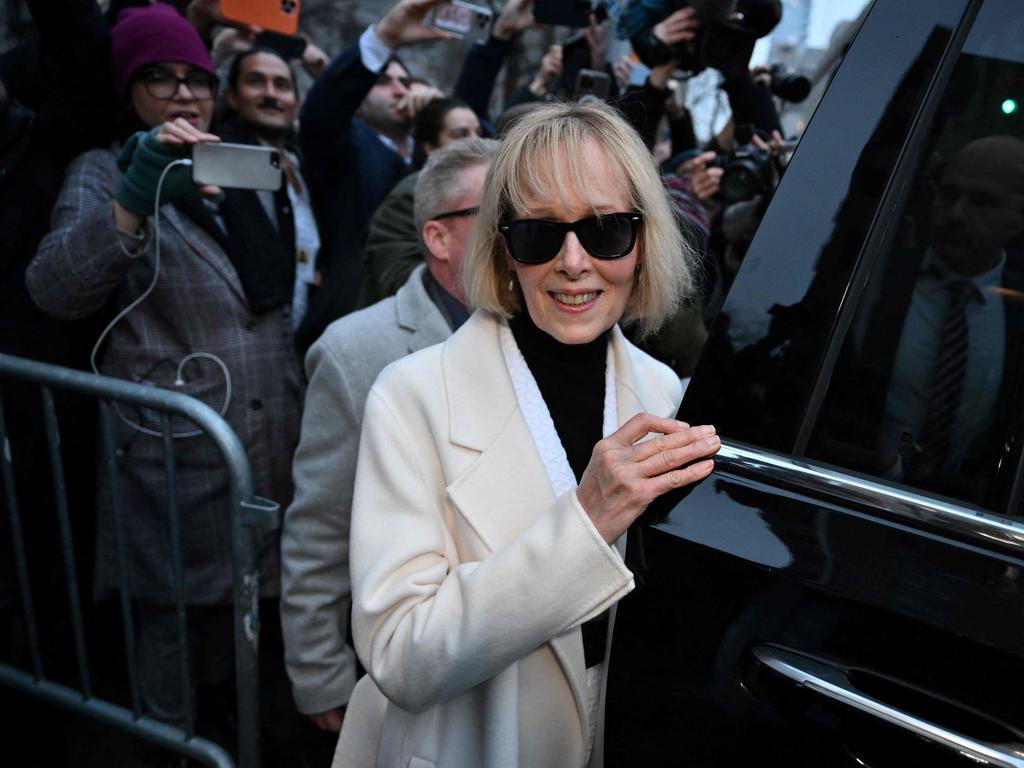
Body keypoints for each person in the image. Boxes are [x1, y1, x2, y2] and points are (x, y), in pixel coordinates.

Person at [333, 101, 720, 767]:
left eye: (605, 231)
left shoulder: (666, 395)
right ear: (505, 248)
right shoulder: (413, 396)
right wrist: (583, 524)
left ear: (643, 239)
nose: (573, 262)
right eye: (540, 234)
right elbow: (398, 654)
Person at [25, 2, 303, 741]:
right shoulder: (104, 168)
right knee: (170, 644)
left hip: (265, 445)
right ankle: (170, 750)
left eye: (197, 79)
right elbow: (53, 287)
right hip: (176, 457)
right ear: (128, 92)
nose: (184, 94)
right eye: (160, 78)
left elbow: (268, 304)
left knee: (248, 631)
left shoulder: (237, 161)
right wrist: (132, 201)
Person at [280, 137, 499, 739]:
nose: (520, 234)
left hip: (508, 659)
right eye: (498, 215)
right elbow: (319, 527)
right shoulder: (356, 352)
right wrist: (318, 670)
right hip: (406, 666)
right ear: (438, 237)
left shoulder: (543, 329)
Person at [295, 0, 448, 352]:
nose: (400, 90)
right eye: (383, 81)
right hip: (355, 324)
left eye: (404, 81)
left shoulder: (427, 149)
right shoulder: (349, 146)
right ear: (358, 101)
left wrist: (442, 114)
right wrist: (384, 39)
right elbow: (322, 113)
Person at [218, 47, 322, 329]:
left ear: (296, 103)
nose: (270, 94)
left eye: (282, 85)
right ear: (232, 96)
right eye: (255, 81)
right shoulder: (220, 163)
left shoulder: (305, 165)